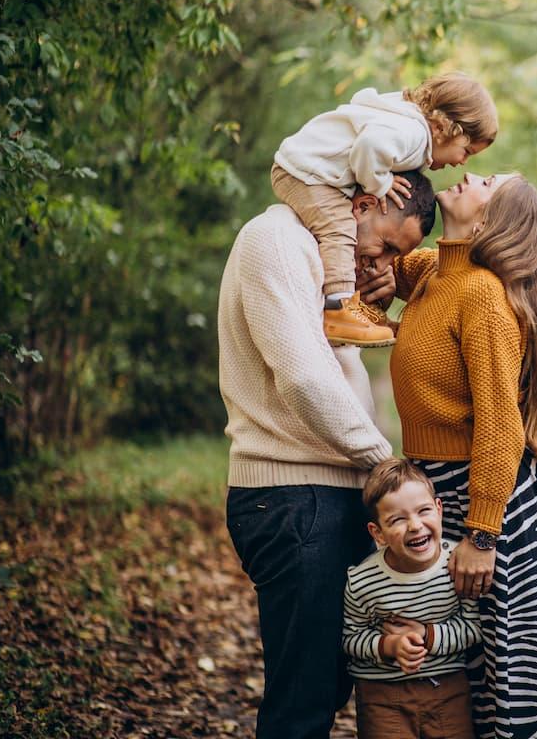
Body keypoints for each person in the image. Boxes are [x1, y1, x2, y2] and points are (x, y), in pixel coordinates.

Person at [218, 170, 437, 739]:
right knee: (303, 701)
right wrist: (383, 462)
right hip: (293, 499)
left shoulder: (323, 265)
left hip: (327, 495)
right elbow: (303, 382)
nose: (381, 260)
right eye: (385, 244)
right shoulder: (276, 241)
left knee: (333, 683)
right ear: (363, 203)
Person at [360, 171, 537, 738]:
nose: (469, 174)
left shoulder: (482, 295)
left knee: (514, 687)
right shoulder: (435, 272)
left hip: (498, 510)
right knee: (463, 680)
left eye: (488, 182)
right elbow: (385, 260)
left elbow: (502, 423)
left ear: (490, 221)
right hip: (444, 496)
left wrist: (483, 535)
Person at [271, 72, 498, 346]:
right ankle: (338, 311)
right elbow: (369, 144)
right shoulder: (413, 134)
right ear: (441, 128)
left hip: (307, 169)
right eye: (467, 151)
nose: (463, 162)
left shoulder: (407, 126)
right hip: (305, 172)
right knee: (339, 231)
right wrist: (379, 184)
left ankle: (353, 309)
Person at [342, 457, 481, 739]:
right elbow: (350, 638)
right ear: (378, 533)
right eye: (397, 520)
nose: (415, 526)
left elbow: (474, 627)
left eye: (424, 511)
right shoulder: (362, 581)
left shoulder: (456, 565)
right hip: (382, 697)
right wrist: (389, 645)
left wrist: (428, 636)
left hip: (448, 691)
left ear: (439, 510)